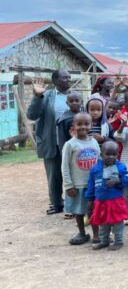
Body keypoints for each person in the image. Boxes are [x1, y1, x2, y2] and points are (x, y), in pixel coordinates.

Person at [27, 69, 72, 215]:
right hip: (52, 142)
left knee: (74, 173)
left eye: (69, 77)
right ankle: (56, 203)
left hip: (71, 142)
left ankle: (74, 204)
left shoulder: (74, 96)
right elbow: (31, 115)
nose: (68, 80)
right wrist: (37, 97)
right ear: (55, 81)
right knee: (54, 175)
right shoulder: (46, 96)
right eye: (65, 78)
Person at [61, 112, 100, 245]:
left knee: (93, 210)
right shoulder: (70, 144)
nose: (83, 127)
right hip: (77, 185)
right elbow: (64, 166)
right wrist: (68, 185)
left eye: (86, 124)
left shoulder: (94, 142)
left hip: (93, 184)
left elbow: (99, 161)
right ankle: (82, 233)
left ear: (91, 125)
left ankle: (96, 234)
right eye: (79, 124)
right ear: (74, 126)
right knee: (79, 211)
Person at [86, 141, 128, 251]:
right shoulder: (95, 169)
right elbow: (91, 185)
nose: (111, 157)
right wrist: (89, 199)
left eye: (114, 154)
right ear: (101, 154)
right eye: (108, 154)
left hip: (115, 201)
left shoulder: (120, 167)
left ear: (118, 154)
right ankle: (104, 241)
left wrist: (118, 181)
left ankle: (118, 241)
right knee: (103, 222)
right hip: (100, 201)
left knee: (117, 222)